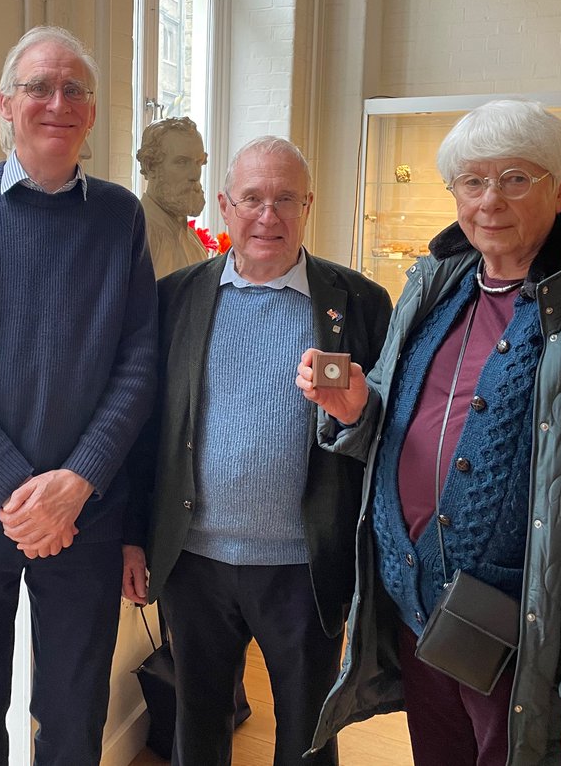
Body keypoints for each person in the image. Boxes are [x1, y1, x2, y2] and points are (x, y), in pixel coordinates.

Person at [301, 100, 561, 766]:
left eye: (516, 178)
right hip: (427, 623)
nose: (489, 200)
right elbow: (395, 418)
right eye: (472, 181)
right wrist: (357, 408)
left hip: (545, 645)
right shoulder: (436, 284)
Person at [0, 24, 157, 766]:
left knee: (73, 713)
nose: (58, 101)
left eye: (75, 88)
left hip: (86, 512)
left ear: (93, 113)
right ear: (6, 107)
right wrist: (23, 495)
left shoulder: (120, 217)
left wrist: (76, 485)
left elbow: (138, 364)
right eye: (39, 87)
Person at [123, 136, 393, 766]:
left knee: (306, 734)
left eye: (285, 199)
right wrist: (133, 536)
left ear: (309, 206)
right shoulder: (175, 300)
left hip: (305, 565)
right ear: (224, 205)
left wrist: (360, 413)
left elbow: (395, 430)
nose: (268, 216)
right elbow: (145, 432)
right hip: (193, 563)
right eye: (251, 199)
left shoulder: (358, 303)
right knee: (199, 723)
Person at [138, 116, 211, 277]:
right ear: (150, 166)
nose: (195, 174)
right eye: (182, 162)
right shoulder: (137, 238)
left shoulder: (193, 241)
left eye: (199, 162)